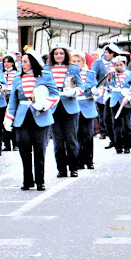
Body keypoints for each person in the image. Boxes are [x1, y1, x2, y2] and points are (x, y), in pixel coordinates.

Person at [5, 49, 59, 191]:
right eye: (21, 62)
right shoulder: (17, 78)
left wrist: (45, 104)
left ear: (33, 62)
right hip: (22, 117)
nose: (22, 64)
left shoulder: (45, 75)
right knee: (24, 149)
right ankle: (27, 180)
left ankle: (40, 180)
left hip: (40, 115)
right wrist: (9, 118)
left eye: (25, 62)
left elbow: (55, 94)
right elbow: (13, 101)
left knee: (40, 149)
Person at [45, 43, 83, 178]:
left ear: (65, 54)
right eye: (56, 54)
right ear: (52, 56)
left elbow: (80, 87)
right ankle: (61, 169)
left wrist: (73, 91)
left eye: (61, 53)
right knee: (58, 140)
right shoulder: (46, 69)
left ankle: (73, 167)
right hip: (54, 107)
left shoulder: (73, 68)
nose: (59, 56)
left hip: (70, 107)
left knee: (71, 138)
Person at [70, 51, 98, 170]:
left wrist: (95, 92)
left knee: (88, 135)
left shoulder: (90, 73)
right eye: (74, 61)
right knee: (76, 135)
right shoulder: (69, 74)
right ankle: (78, 160)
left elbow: (95, 87)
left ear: (83, 62)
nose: (76, 64)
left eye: (79, 61)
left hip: (87, 105)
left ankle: (89, 160)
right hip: (74, 105)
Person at [106, 55, 131, 154]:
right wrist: (109, 75)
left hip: (126, 101)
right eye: (117, 65)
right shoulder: (112, 75)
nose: (118, 67)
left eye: (120, 65)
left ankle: (127, 145)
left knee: (127, 124)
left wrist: (127, 97)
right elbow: (107, 85)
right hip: (115, 100)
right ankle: (118, 146)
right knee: (116, 124)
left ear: (124, 64)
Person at [91, 43, 120, 144]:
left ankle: (112, 132)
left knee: (111, 112)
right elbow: (93, 75)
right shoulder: (98, 62)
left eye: (108, 53)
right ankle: (103, 131)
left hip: (112, 91)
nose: (106, 54)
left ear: (113, 54)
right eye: (105, 52)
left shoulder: (115, 63)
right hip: (101, 89)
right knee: (102, 111)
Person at [1, 53, 19, 151]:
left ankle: (15, 144)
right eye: (4, 62)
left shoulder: (16, 74)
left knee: (13, 121)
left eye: (8, 62)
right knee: (5, 122)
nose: (6, 64)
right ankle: (7, 144)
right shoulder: (1, 73)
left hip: (13, 99)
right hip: (4, 99)